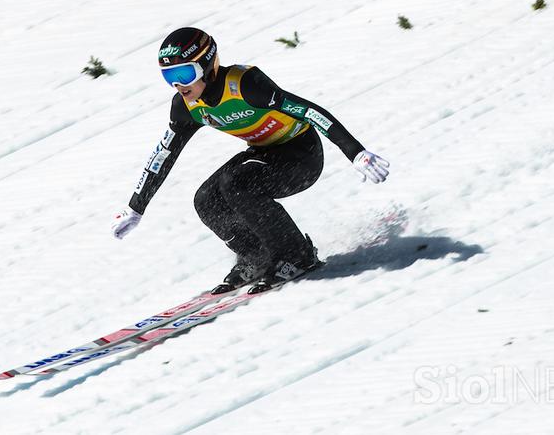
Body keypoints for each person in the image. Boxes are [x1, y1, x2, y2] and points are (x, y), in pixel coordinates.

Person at [112, 27, 389, 294]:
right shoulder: (186, 106)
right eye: (168, 77)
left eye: (185, 73)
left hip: (301, 156)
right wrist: (136, 207)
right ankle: (256, 255)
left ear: (208, 66)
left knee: (236, 184)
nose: (178, 85)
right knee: (206, 199)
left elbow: (307, 110)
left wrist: (355, 152)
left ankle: (297, 255)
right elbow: (164, 154)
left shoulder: (245, 85)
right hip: (263, 153)